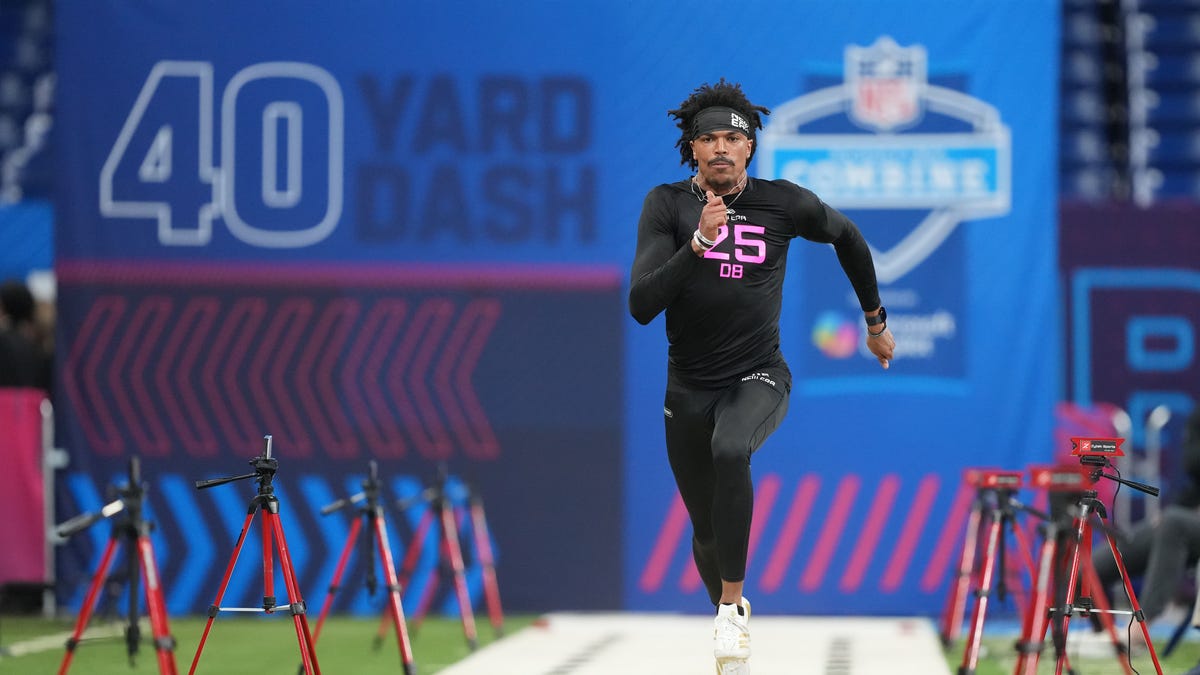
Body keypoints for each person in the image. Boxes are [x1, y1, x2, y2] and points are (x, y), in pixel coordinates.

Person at [628, 79, 894, 671]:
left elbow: (848, 237)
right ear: (692, 149)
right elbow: (641, 305)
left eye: (733, 138)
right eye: (709, 139)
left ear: (750, 147)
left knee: (730, 449)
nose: (721, 148)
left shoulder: (783, 203)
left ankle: (730, 611)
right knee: (705, 532)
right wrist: (699, 243)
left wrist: (874, 319)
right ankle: (729, 614)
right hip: (687, 387)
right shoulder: (667, 205)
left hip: (758, 374)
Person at [1091, 406, 1200, 643]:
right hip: (1187, 512)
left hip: (1182, 524)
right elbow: (1192, 464)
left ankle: (1139, 632)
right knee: (1091, 567)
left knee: (1173, 524)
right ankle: (1105, 636)